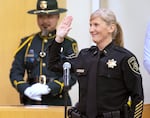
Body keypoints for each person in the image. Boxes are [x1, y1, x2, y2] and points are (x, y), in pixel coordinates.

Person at [48, 8, 144, 118]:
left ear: (111, 28)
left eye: (96, 25)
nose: (91, 29)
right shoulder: (84, 56)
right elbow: (54, 64)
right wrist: (59, 39)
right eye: (90, 25)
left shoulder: (124, 58)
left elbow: (137, 96)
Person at [9, 0, 78, 105]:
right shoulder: (27, 43)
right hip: (31, 100)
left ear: (58, 17)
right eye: (41, 16)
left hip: (57, 101)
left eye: (49, 16)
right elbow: (15, 72)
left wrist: (50, 87)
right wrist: (25, 89)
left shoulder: (68, 43)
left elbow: (72, 74)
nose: (45, 21)